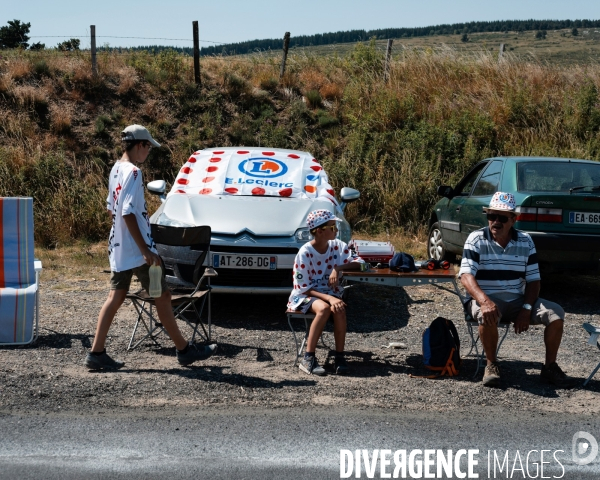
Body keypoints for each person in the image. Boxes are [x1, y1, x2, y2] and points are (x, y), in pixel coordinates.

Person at [85, 124, 217, 370]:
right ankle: (184, 350)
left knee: (118, 296)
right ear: (140, 145)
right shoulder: (134, 173)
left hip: (119, 246)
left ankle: (97, 352)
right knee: (163, 296)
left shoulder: (116, 169)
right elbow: (127, 214)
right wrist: (145, 250)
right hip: (136, 250)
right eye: (148, 148)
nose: (148, 153)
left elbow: (111, 209)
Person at [459, 192, 576, 388]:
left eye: (502, 218)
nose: (495, 222)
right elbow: (466, 276)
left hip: (516, 298)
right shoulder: (476, 239)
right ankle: (491, 365)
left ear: (514, 219)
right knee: (486, 313)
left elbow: (533, 280)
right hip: (484, 298)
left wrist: (527, 308)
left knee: (556, 313)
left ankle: (549, 368)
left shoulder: (526, 241)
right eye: (491, 216)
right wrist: (484, 301)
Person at [287, 210, 365, 376]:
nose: (336, 230)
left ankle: (339, 356)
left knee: (339, 308)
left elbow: (361, 263)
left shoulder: (338, 246)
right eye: (332, 227)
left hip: (328, 294)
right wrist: (330, 297)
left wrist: (338, 268)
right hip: (305, 295)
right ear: (320, 231)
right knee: (324, 308)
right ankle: (308, 358)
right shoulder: (305, 253)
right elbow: (304, 287)